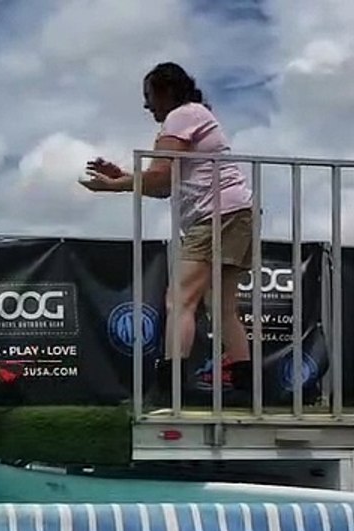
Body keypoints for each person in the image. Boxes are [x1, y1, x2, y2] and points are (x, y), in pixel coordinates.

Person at [79, 61, 255, 402]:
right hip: (237, 211)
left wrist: (116, 186)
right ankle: (248, 389)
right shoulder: (195, 115)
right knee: (222, 306)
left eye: (149, 96)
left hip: (215, 214)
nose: (147, 106)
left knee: (180, 301)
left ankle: (169, 388)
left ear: (166, 91)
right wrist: (123, 178)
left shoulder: (182, 115)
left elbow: (159, 175)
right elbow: (162, 186)